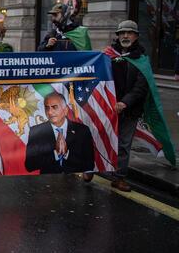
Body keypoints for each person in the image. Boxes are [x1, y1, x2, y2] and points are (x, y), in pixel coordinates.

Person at [100, 21, 152, 191]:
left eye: (129, 33)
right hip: (107, 108)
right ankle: (91, 168)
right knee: (98, 138)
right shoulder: (107, 55)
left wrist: (125, 102)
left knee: (123, 145)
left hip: (129, 110)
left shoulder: (142, 59)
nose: (125, 36)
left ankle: (119, 178)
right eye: (122, 33)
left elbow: (141, 86)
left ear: (136, 36)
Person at [24, 92, 95, 174]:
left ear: (65, 110)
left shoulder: (82, 131)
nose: (50, 112)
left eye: (54, 107)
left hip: (75, 183)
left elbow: (89, 165)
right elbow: (29, 165)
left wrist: (66, 155)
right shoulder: (36, 132)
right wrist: (56, 154)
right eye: (47, 108)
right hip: (48, 184)